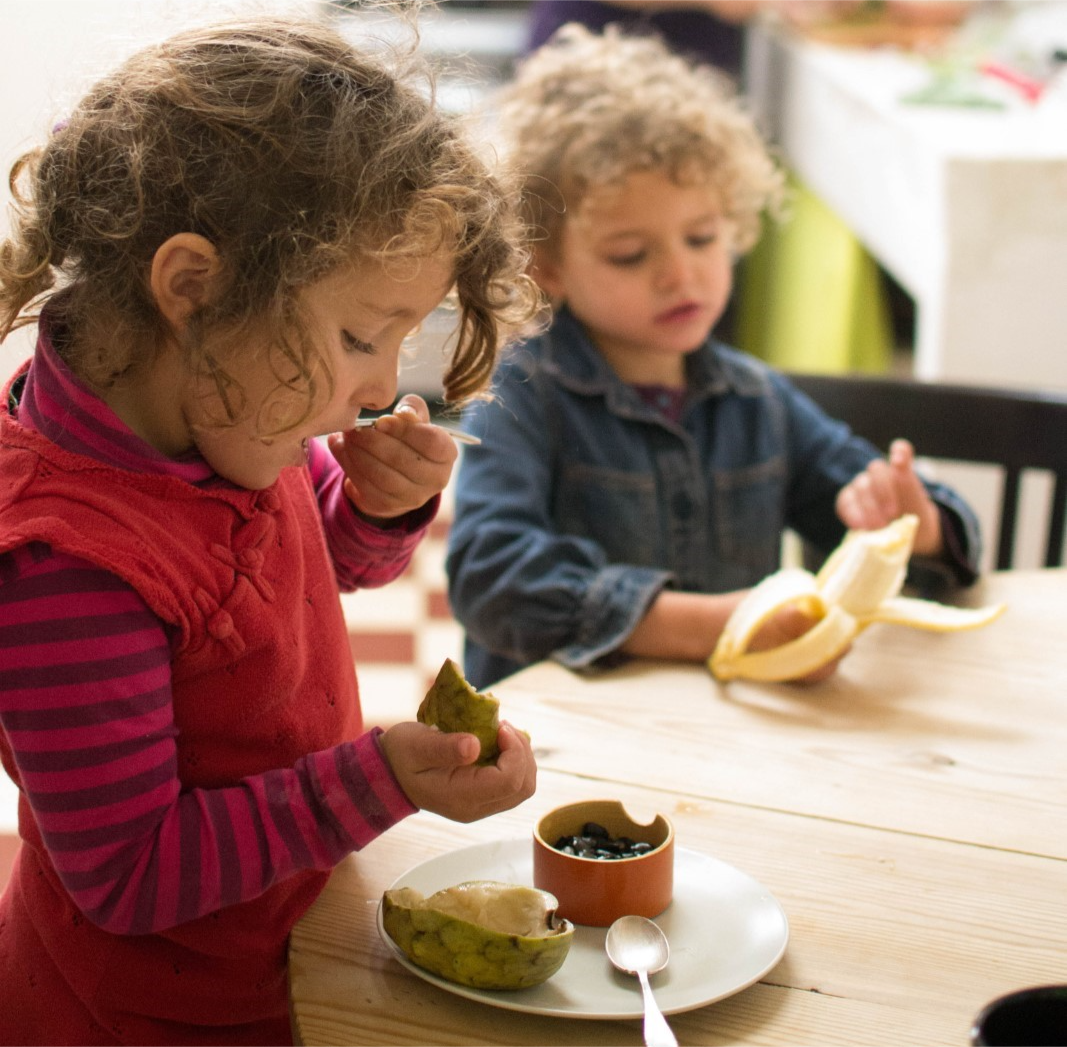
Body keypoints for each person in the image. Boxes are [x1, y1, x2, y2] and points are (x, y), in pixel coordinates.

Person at [0, 17, 539, 1046]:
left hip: (292, 933)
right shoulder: (67, 572)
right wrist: (376, 782)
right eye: (356, 336)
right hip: (156, 1011)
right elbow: (128, 875)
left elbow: (302, 571)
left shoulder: (220, 411)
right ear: (192, 290)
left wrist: (373, 508)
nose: (383, 388)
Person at [445, 24, 981, 690]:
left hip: (724, 746)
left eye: (700, 237)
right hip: (566, 745)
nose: (680, 275)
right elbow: (493, 580)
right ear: (544, 265)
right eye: (630, 254)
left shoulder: (757, 399)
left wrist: (918, 523)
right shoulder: (523, 394)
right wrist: (714, 624)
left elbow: (924, 536)